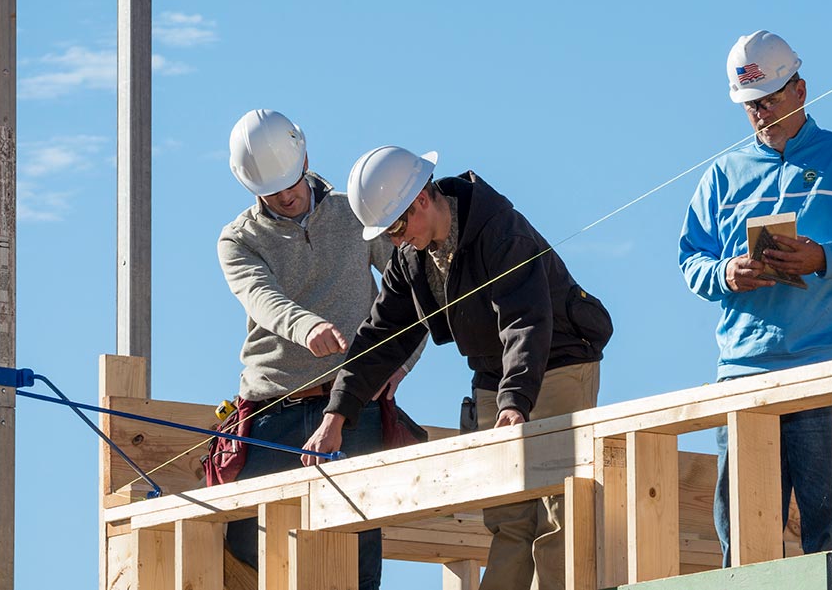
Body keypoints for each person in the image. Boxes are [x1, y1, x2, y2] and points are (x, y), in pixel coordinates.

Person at [301, 145, 612, 590]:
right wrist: (337, 414)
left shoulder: (500, 231)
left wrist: (516, 403)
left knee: (558, 511)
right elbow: (380, 337)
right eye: (386, 234)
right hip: (494, 377)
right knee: (507, 516)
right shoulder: (410, 258)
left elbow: (526, 321)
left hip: (557, 364)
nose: (394, 240)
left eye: (395, 227)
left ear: (421, 200)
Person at [679, 30, 832, 564]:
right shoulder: (722, 174)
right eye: (750, 106)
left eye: (770, 100)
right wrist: (726, 273)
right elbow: (691, 261)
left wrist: (824, 258)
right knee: (745, 545)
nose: (760, 114)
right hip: (744, 374)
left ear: (800, 90)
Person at [214, 109, 421, 590]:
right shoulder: (239, 239)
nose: (286, 197)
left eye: (290, 182)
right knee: (245, 542)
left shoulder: (357, 213)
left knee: (356, 553)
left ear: (306, 156)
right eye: (271, 191)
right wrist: (307, 328)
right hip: (273, 409)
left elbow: (413, 288)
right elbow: (263, 299)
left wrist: (402, 362)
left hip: (353, 406)